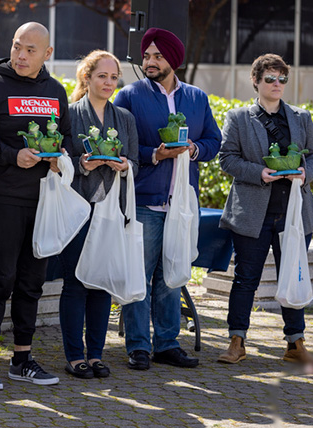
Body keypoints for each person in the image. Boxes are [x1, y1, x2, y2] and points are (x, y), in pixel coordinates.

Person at [113, 27, 221, 370]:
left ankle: (167, 344)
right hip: (144, 201)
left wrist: (195, 148)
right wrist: (155, 154)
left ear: (173, 60)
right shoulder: (129, 95)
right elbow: (119, 146)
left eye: (157, 56)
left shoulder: (197, 98)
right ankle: (138, 346)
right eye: (146, 56)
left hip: (182, 204)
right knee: (138, 276)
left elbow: (214, 143)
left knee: (171, 275)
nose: (149, 61)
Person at [0, 22, 70, 390]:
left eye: (30, 50)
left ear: (47, 54)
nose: (21, 55)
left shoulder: (56, 91)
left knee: (32, 282)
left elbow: (70, 141)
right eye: (17, 47)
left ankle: (22, 358)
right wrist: (16, 156)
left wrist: (61, 158)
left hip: (43, 200)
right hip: (3, 199)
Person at [217, 54, 313, 366]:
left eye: (282, 79)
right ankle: (237, 341)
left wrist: (304, 173)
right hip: (252, 213)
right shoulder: (238, 117)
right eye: (270, 79)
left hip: (293, 212)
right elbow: (227, 159)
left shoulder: (301, 118)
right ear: (256, 81)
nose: (277, 85)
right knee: (246, 278)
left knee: (293, 275)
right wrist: (258, 173)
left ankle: (295, 342)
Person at [60, 50, 138, 379]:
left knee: (102, 283)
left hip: (112, 208)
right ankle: (74, 355)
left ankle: (95, 354)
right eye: (101, 76)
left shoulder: (125, 118)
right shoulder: (71, 113)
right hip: (79, 207)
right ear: (87, 78)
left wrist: (125, 165)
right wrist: (81, 163)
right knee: (77, 281)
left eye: (113, 77)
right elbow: (60, 156)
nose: (108, 82)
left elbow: (134, 158)